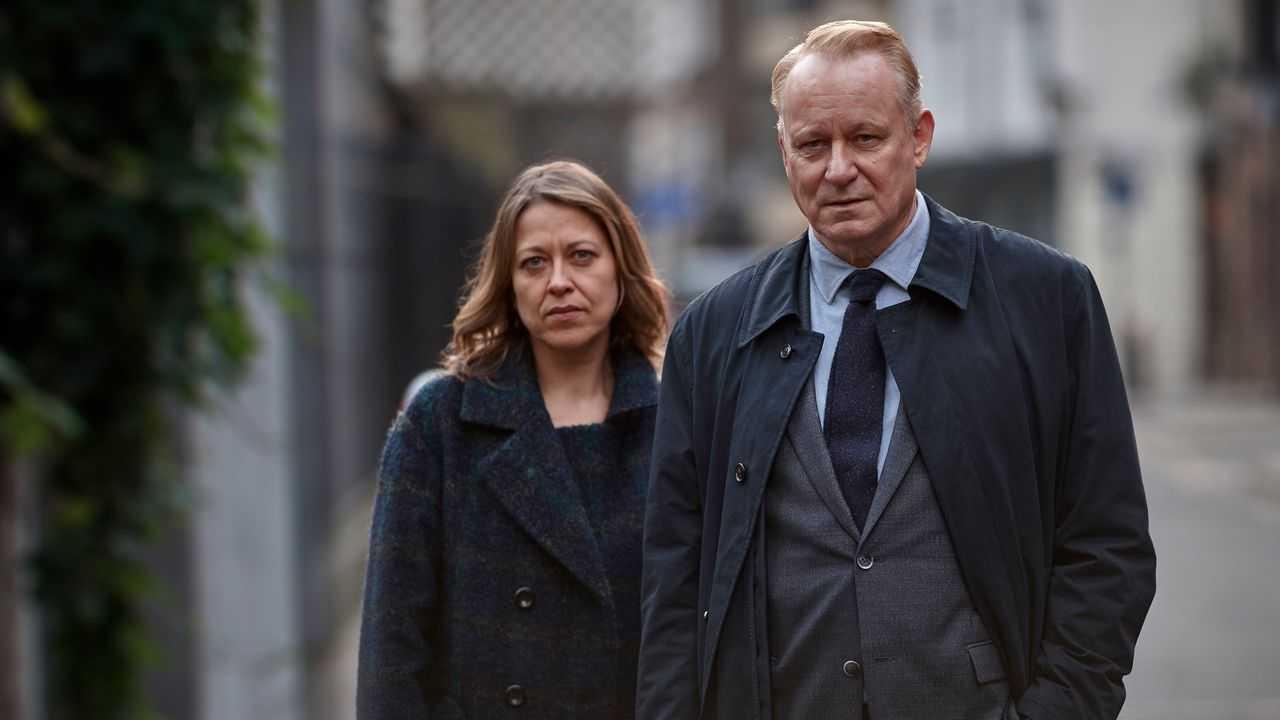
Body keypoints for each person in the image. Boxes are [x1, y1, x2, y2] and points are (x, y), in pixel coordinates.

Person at [636, 20, 1155, 720]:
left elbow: (1107, 544)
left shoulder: (1047, 300)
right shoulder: (712, 333)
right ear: (784, 152)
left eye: (866, 138)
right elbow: (674, 576)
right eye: (812, 145)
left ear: (919, 137)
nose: (838, 169)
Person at [359, 159, 670, 719]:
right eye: (534, 262)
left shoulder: (673, 424)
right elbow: (391, 650)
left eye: (582, 255)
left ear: (621, 271)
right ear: (509, 284)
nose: (559, 281)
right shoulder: (441, 424)